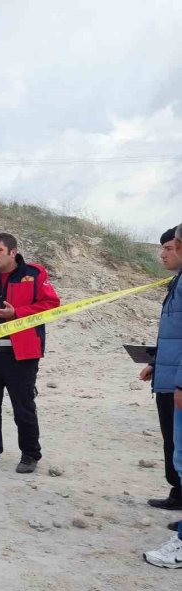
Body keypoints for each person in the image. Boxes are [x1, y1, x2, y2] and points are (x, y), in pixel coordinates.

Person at [0, 233, 60, 473]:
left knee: (23, 406)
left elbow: (51, 305)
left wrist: (17, 313)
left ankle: (30, 455)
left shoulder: (34, 274)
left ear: (12, 252)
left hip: (21, 355)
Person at [144, 223, 182, 568]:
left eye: (169, 248)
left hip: (178, 383)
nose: (163, 254)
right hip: (168, 375)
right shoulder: (176, 282)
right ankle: (178, 494)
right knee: (172, 443)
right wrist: (155, 364)